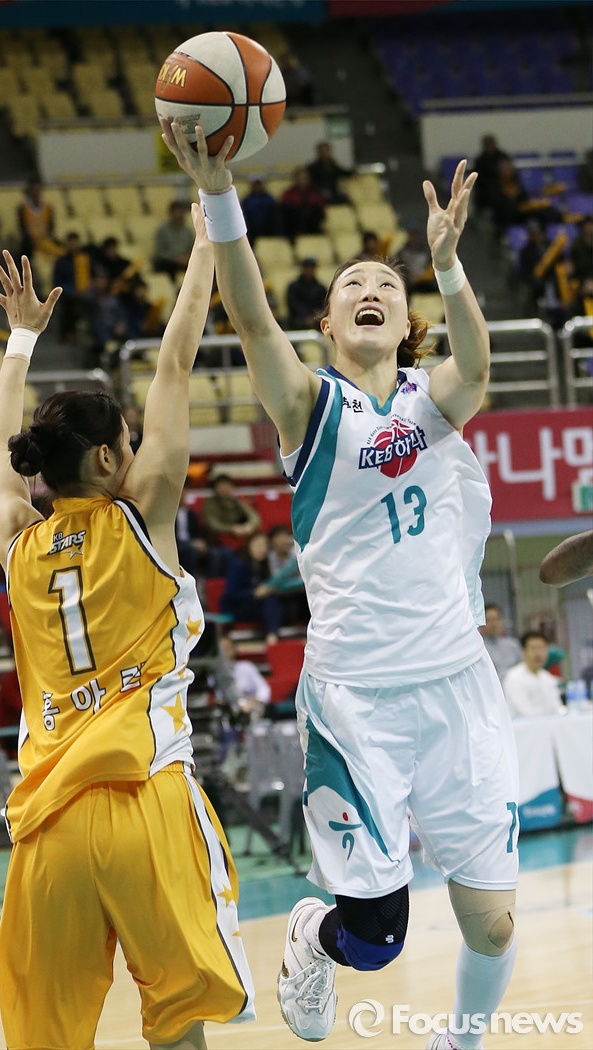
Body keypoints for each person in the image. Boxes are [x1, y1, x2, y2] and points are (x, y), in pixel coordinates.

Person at [162, 118, 518, 1050]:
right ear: (325, 325)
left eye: (387, 287)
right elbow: (250, 316)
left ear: (408, 321)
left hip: (456, 686)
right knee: (376, 940)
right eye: (351, 286)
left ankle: (461, 1044)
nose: (370, 291)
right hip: (356, 698)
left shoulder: (437, 399)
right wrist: (220, 196)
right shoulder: (310, 406)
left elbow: (479, 365)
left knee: (494, 926)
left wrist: (448, 264)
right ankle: (311, 935)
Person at [0, 218, 254, 1050]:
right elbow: (174, 364)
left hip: (48, 828)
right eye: (128, 445)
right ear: (105, 460)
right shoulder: (144, 516)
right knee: (177, 1021)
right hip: (142, 796)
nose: (138, 454)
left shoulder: (17, 543)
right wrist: (208, 236)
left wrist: (20, 341)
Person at [503, 632, 563, 719]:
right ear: (524, 651)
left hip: (549, 724)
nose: (538, 653)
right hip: (523, 726)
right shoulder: (514, 677)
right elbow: (524, 711)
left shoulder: (548, 678)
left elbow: (557, 708)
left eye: (542, 648)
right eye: (533, 648)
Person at [200, 473, 260, 550]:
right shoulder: (209, 504)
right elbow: (212, 524)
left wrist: (249, 526)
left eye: (227, 486)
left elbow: (254, 516)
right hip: (217, 541)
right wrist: (231, 528)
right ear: (215, 488)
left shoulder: (237, 501)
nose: (225, 489)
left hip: (239, 536)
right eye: (221, 486)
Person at [480, 603, 523, 683]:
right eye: (489, 620)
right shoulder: (480, 648)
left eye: (496, 619)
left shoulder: (513, 645)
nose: (493, 624)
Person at [153, 200, 195, 280]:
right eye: (177, 214)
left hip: (185, 261)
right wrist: (175, 259)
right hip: (168, 261)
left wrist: (186, 258)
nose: (179, 216)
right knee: (164, 264)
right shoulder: (162, 230)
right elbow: (160, 252)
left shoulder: (188, 231)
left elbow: (192, 248)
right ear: (171, 214)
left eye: (181, 214)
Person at [280, 168, 326, 240]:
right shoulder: (288, 194)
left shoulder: (316, 192)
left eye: (305, 178)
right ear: (295, 179)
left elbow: (321, 208)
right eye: (300, 178)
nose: (302, 180)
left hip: (312, 225)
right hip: (294, 226)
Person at [472, 134, 511, 213]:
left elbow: (510, 174)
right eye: (488, 144)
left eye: (491, 143)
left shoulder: (503, 157)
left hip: (504, 187)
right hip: (486, 190)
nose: (490, 146)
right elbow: (479, 180)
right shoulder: (480, 160)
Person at [286, 257, 327, 329]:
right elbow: (292, 304)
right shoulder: (294, 287)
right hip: (298, 319)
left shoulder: (320, 288)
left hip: (316, 320)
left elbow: (323, 306)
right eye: (307, 268)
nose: (309, 270)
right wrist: (305, 316)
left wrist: (314, 317)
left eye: (312, 268)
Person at [241, 178, 282, 243]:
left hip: (268, 231)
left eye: (259, 184)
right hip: (251, 232)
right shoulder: (246, 201)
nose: (257, 187)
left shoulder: (270, 199)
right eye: (255, 185)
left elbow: (275, 217)